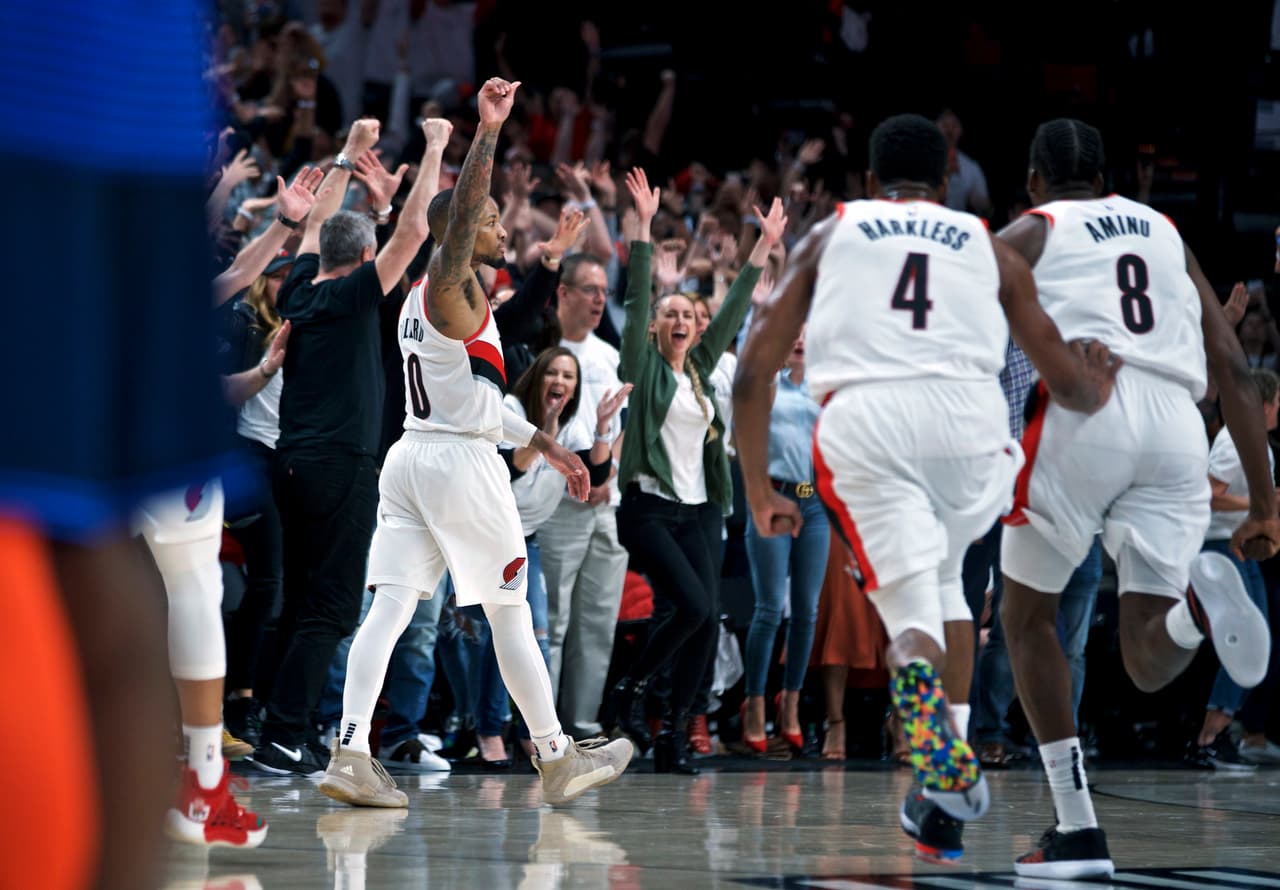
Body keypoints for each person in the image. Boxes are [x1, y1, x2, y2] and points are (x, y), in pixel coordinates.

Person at [732, 113, 1117, 864]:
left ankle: (920, 701)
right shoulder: (987, 242)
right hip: (973, 436)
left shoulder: (836, 229)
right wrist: (1098, 385)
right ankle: (942, 791)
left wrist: (757, 490)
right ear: (946, 184)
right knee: (948, 593)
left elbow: (752, 374)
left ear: (871, 184)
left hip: (872, 425)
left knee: (911, 619)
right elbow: (1062, 375)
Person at [320, 76, 633, 809]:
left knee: (390, 610)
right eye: (491, 219)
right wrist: (487, 131)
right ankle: (557, 755)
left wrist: (552, 449)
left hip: (414, 458)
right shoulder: (448, 281)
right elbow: (459, 221)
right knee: (508, 613)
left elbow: (482, 405)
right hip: (458, 466)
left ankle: (351, 751)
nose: (501, 228)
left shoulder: (450, 303)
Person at [995, 118, 1280, 880]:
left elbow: (964, 304)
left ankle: (1078, 827)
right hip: (1177, 426)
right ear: (1110, 179)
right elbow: (1233, 362)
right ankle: (1197, 612)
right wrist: (1266, 505)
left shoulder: (1035, 227)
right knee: (1148, 651)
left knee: (1026, 619)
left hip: (1090, 402)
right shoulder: (1162, 230)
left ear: (1034, 180)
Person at [252, 115, 452, 776]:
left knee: (302, 603)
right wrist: (435, 147)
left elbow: (313, 225)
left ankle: (282, 728)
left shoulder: (303, 291)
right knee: (332, 609)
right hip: (340, 466)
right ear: (367, 257)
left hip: (292, 463)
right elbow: (417, 230)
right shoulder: (357, 292)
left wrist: (347, 154)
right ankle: (285, 733)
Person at [605, 168, 786, 774]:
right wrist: (644, 233)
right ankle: (630, 689)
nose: (681, 321)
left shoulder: (702, 370)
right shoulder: (645, 363)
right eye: (671, 313)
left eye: (689, 314)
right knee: (691, 605)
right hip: (649, 507)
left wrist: (761, 251)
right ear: (658, 326)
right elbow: (635, 304)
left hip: (704, 508)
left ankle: (673, 736)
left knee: (705, 623)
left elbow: (733, 311)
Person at [740, 327, 830, 754]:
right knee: (770, 607)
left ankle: (790, 701)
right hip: (773, 495)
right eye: (791, 333)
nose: (797, 339)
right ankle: (754, 703)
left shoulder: (825, 384)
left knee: (808, 611)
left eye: (805, 335)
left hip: (813, 501)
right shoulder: (766, 380)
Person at [1185, 368, 1278, 770]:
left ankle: (1217, 733)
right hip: (1220, 546)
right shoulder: (1233, 442)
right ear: (1264, 404)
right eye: (1278, 402)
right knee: (1243, 643)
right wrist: (1259, 504)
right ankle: (1207, 738)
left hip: (1239, 546)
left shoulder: (1257, 443)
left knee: (1258, 643)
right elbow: (1207, 495)